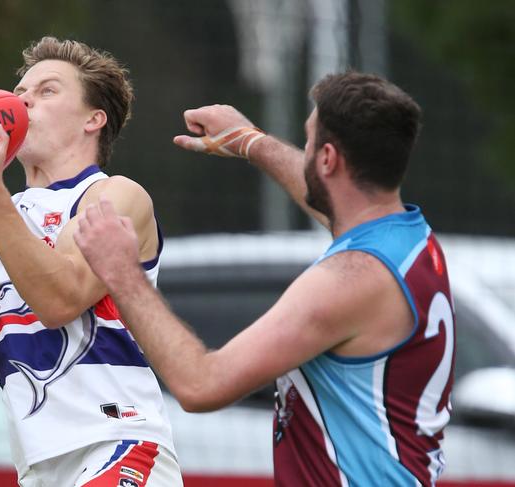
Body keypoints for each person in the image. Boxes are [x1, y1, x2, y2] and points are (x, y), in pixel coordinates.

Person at [73, 72, 456, 486]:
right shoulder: (408, 239)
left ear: (327, 160)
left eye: (308, 142)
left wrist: (123, 273)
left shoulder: (348, 280)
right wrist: (250, 141)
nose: (303, 151)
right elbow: (332, 200)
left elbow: (201, 384)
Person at [0, 37, 182, 487]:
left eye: (47, 91)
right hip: (39, 466)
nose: (24, 100)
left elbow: (59, 299)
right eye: (21, 91)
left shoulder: (113, 196)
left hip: (117, 444)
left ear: (93, 119)